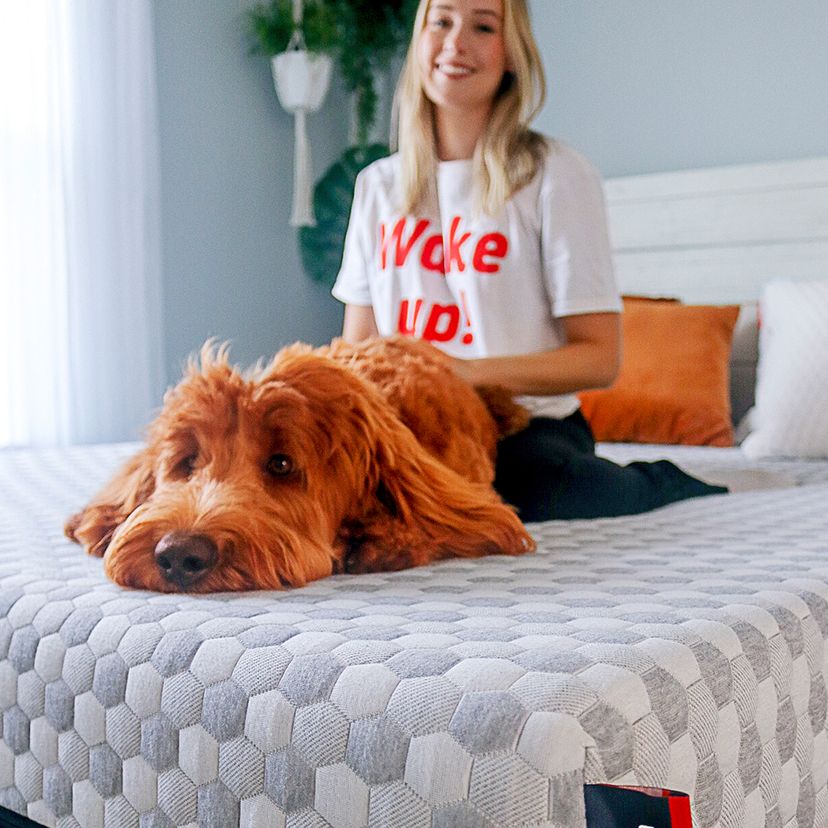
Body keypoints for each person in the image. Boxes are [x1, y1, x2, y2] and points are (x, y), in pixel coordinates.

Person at [331, 0, 726, 521]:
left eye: (484, 26)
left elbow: (598, 359)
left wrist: (465, 373)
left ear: (512, 53)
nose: (456, 42)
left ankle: (656, 481)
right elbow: (357, 348)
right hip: (412, 421)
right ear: (419, 40)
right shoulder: (377, 187)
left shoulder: (556, 176)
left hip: (526, 427)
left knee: (517, 488)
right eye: (441, 21)